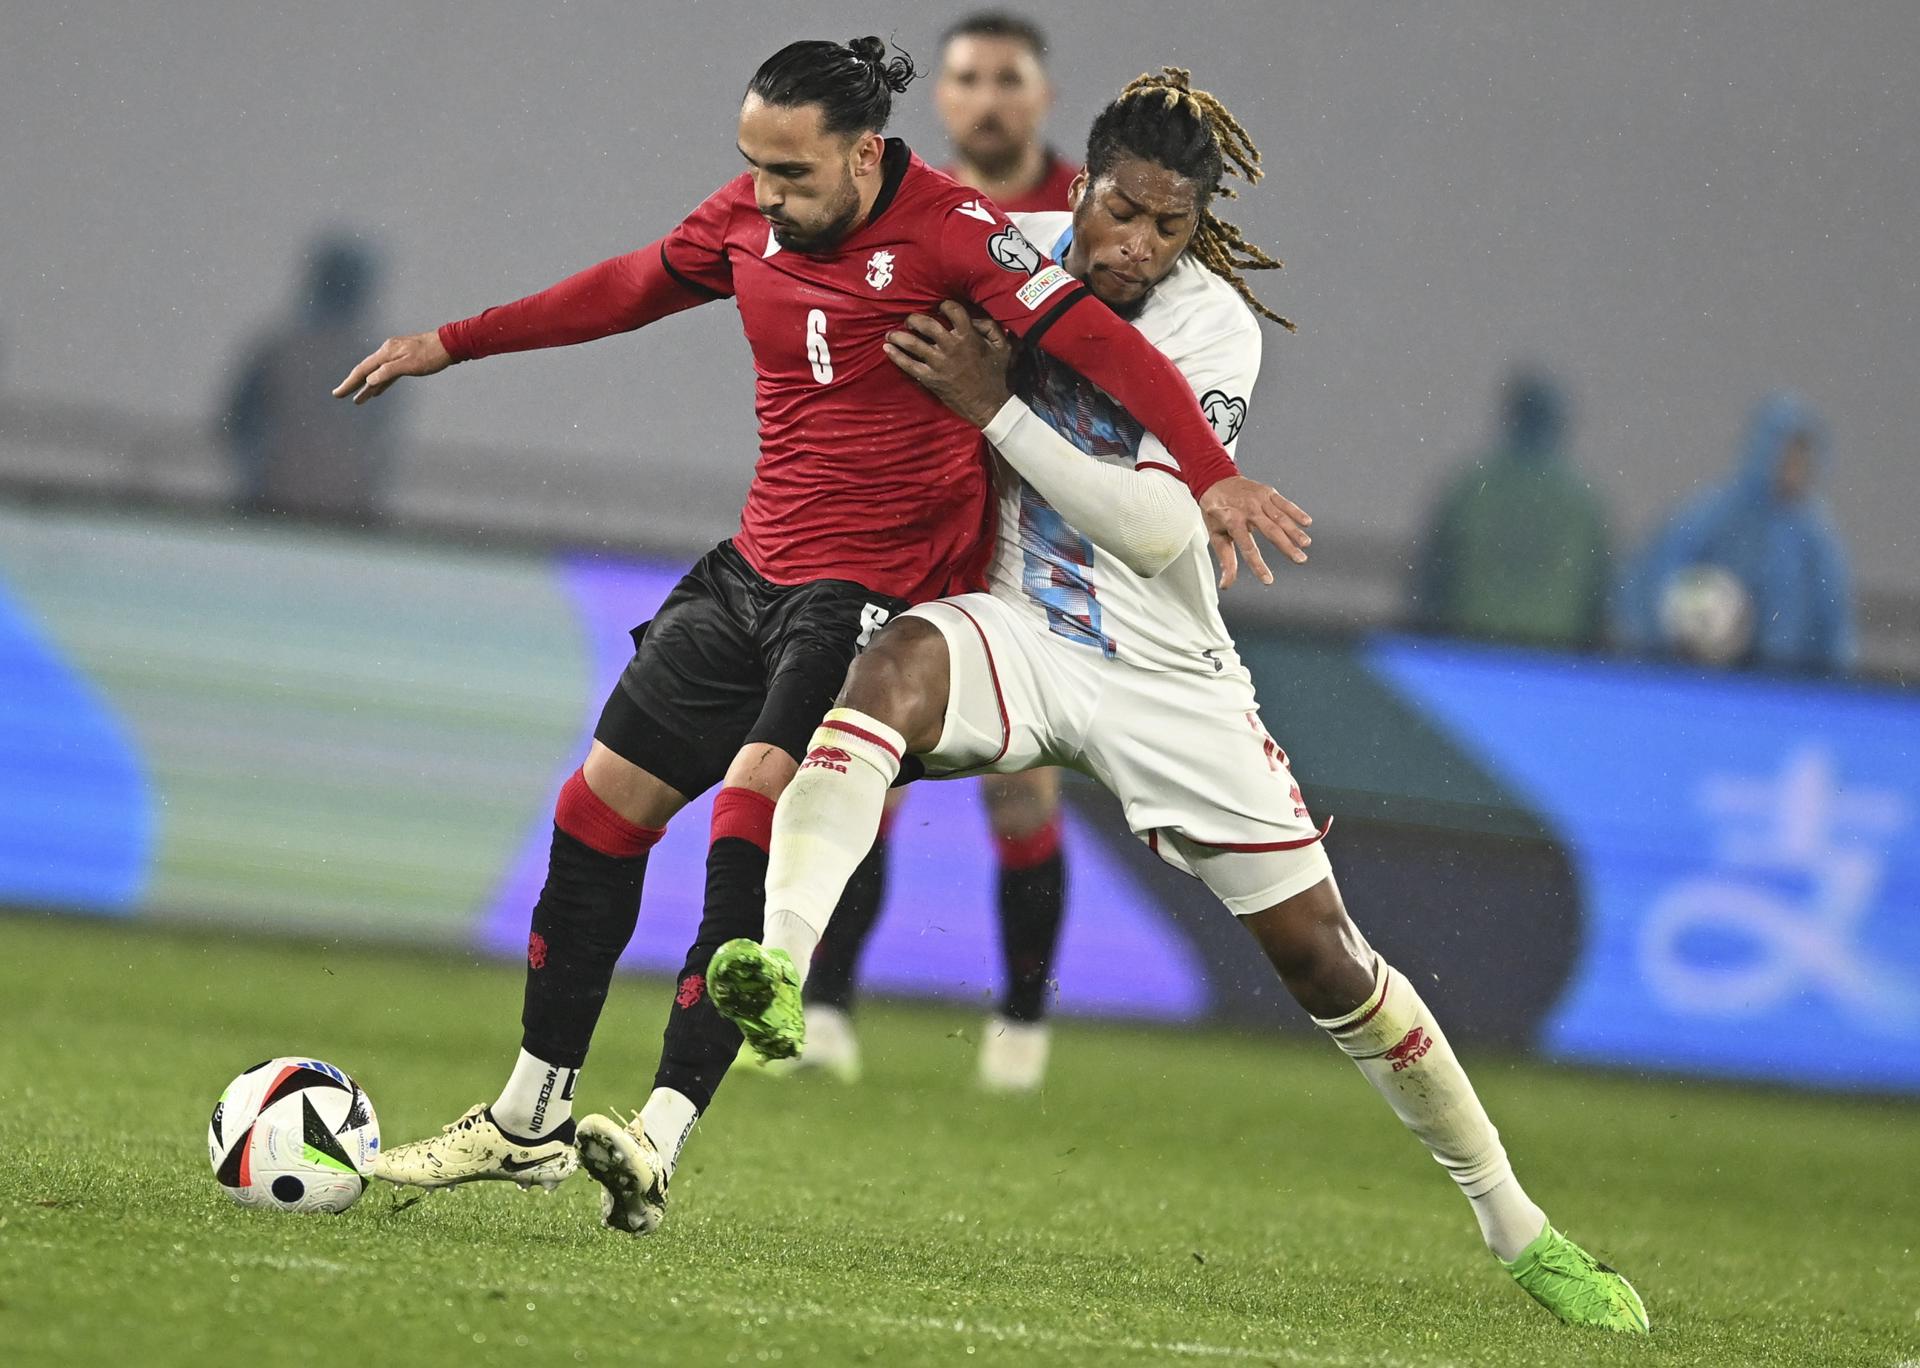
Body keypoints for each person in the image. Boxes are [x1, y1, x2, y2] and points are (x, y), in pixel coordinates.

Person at [707, 69, 1650, 1334]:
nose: (1135, 245)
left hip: (1166, 678)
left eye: (1168, 224)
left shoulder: (1213, 329)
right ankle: (782, 963)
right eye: (1120, 211)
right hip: (1025, 632)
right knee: (884, 679)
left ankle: (1515, 1224)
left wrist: (993, 406)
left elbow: (1160, 530)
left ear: (1197, 227)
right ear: (1078, 184)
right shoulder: (1014, 255)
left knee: (1326, 959)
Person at [335, 37, 1311, 1235]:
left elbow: (1105, 348)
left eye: (789, 174)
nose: (765, 196)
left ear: (860, 154)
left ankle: (660, 1135)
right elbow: (629, 288)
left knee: (758, 794)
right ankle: (530, 1118)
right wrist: (454, 340)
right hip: (753, 568)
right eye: (752, 167)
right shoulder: (753, 216)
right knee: (597, 812)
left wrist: (1211, 475)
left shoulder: (957, 234)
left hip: (873, 592)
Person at [797, 12, 1083, 1092]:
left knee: (1023, 789)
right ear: (944, 99)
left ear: (1041, 97)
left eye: (1008, 79)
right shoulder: (906, 210)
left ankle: (1018, 1029)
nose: (987, 98)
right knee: (871, 761)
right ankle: (825, 1011)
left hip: (1031, 525)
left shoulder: (1089, 219)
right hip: (913, 518)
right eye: (967, 79)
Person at [1615, 391, 1853, 673]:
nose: (1794, 469)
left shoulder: (1815, 539)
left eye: (1802, 459)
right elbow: (1658, 576)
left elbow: (1833, 620)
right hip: (1700, 674)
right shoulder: (1714, 514)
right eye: (1787, 456)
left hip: (1787, 687)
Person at [1408, 369, 1611, 649]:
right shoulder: (1583, 502)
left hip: (1472, 651)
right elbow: (1599, 599)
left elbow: (1429, 583)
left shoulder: (1470, 487)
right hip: (1550, 657)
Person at [226, 234, 398, 523]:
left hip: (325, 509)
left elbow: (380, 443)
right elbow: (237, 424)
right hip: (281, 505)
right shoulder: (278, 354)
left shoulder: (279, 352)